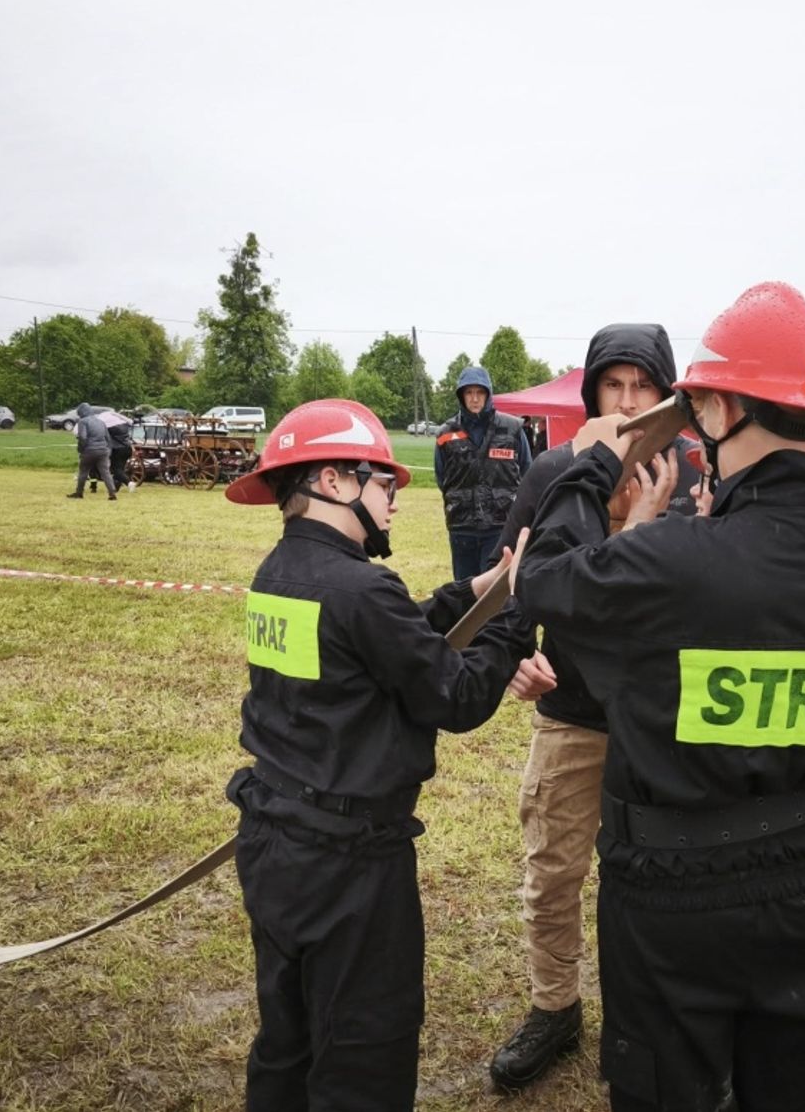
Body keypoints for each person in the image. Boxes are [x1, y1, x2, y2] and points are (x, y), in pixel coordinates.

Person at [514, 283, 805, 1111]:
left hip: (672, 899)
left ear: (722, 408)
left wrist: (591, 463)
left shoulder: (674, 559)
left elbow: (544, 580)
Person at [222, 399, 536, 1112]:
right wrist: (518, 612)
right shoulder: (362, 587)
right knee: (365, 1051)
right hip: (349, 865)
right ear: (334, 480)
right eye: (384, 482)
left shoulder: (279, 572)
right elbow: (456, 695)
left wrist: (476, 590)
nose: (395, 498)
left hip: (275, 844)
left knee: (288, 1038)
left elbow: (388, 637)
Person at [486, 324, 704, 1091]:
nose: (629, 401)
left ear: (669, 394)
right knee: (552, 871)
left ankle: (659, 1018)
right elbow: (512, 581)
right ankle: (556, 1006)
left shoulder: (698, 472)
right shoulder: (553, 470)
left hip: (665, 717)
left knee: (666, 879)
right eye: (614, 384)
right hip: (572, 708)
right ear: (591, 392)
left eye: (644, 386)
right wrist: (515, 656)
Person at [434, 365, 532, 578]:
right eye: (469, 392)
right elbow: (442, 477)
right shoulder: (445, 434)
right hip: (461, 526)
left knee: (494, 588)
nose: (475, 398)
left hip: (500, 525)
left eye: (480, 392)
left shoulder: (513, 428)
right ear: (461, 396)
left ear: (488, 394)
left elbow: (527, 471)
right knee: (464, 588)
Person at [67, 402, 116, 500]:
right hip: (103, 450)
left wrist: (81, 449)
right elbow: (108, 438)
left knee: (83, 472)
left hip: (89, 450)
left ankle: (79, 493)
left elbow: (83, 437)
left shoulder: (83, 422)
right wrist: (108, 450)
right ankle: (112, 493)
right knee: (105, 472)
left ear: (82, 412)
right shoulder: (101, 422)